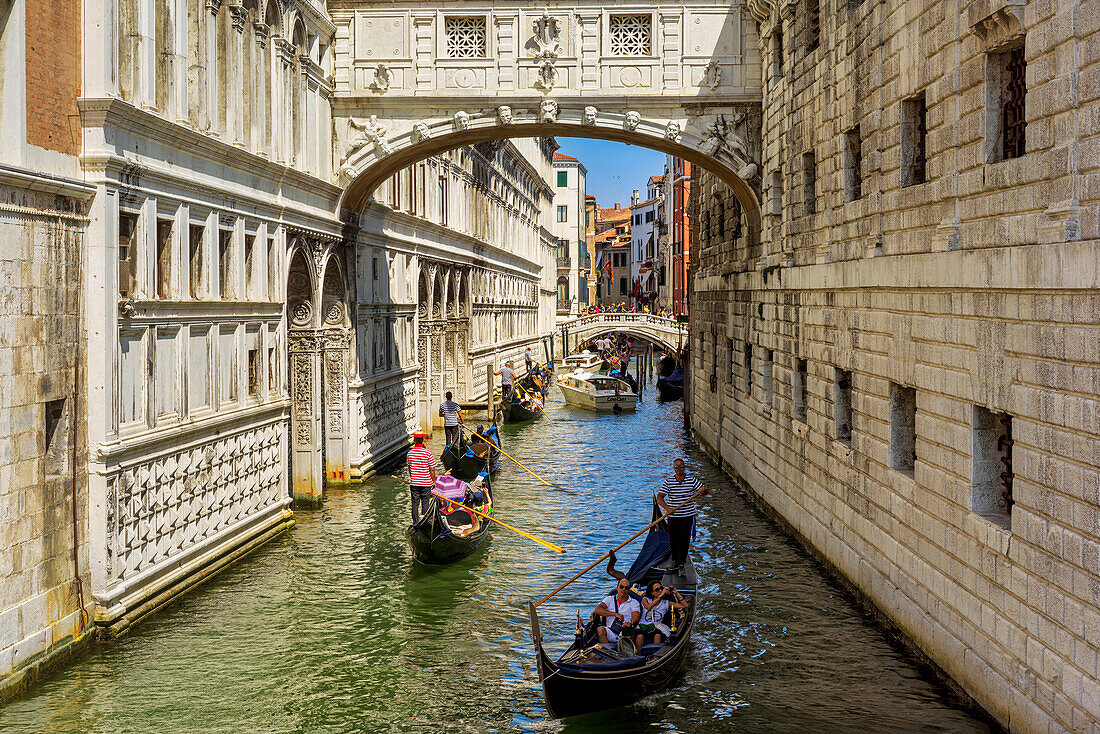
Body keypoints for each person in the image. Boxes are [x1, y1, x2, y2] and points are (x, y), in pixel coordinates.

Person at [656, 458, 708, 575]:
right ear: (674, 469)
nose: (679, 469)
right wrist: (667, 508)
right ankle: (675, 561)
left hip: (687, 516)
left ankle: (681, 564)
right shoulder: (669, 482)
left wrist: (702, 490)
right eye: (676, 467)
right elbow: (660, 497)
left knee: (684, 540)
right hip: (673, 516)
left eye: (681, 466)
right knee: (673, 540)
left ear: (684, 467)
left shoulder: (691, 480)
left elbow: (705, 490)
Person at [635, 581, 690, 650]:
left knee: (657, 636)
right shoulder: (645, 599)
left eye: (661, 588)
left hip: (657, 626)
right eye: (657, 590)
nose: (660, 591)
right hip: (643, 626)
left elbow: (685, 605)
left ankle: (655, 656)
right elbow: (649, 607)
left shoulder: (666, 603)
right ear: (651, 592)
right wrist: (660, 596)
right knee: (639, 637)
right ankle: (639, 656)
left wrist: (676, 593)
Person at [594, 577, 640, 648]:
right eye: (621, 587)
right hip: (611, 631)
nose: (623, 589)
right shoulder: (609, 599)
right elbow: (597, 610)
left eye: (626, 588)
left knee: (628, 633)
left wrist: (630, 622)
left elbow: (636, 616)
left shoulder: (634, 602)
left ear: (629, 589)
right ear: (617, 588)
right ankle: (607, 651)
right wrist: (615, 614)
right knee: (600, 630)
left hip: (625, 632)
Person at [406, 433, 437, 525]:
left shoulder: (410, 453)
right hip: (426, 483)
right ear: (422, 440)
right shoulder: (428, 453)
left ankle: (415, 522)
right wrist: (434, 481)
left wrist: (413, 478)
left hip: (414, 483)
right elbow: (432, 469)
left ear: (414, 441)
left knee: (415, 504)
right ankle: (424, 522)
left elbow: (409, 467)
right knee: (425, 502)